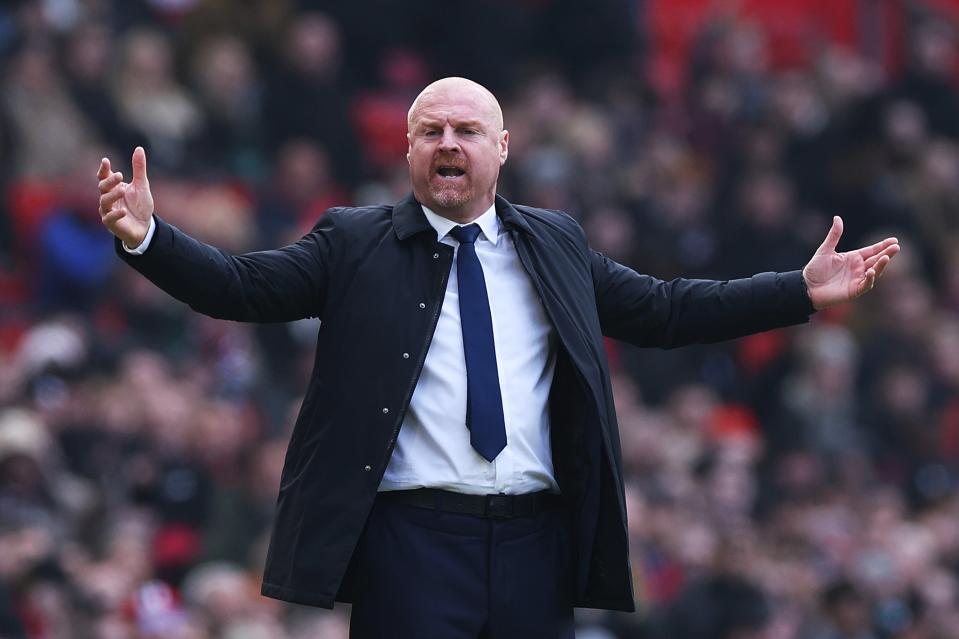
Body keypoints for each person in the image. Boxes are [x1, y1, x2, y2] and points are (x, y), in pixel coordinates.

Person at [96, 77, 900, 638]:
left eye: (466, 131)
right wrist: (148, 239)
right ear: (408, 148)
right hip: (410, 539)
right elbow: (241, 286)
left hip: (534, 542)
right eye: (431, 131)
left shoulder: (555, 240)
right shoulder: (353, 241)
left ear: (502, 146)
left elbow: (664, 309)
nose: (449, 144)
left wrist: (794, 289)